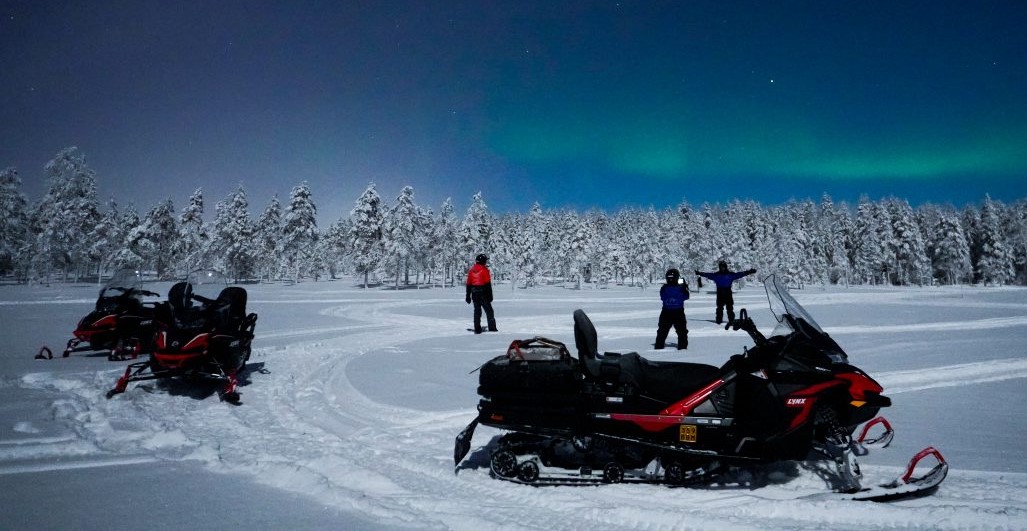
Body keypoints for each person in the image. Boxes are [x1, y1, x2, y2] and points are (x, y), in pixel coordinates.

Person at [655, 268, 689, 350]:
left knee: (662, 332)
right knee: (682, 332)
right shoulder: (680, 288)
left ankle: (658, 348)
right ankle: (683, 349)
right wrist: (685, 287)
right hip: (678, 313)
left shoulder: (664, 288)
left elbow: (662, 297)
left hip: (666, 312)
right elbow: (686, 296)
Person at [465, 254, 497, 334]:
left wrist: (468, 296)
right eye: (485, 260)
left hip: (474, 293)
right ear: (483, 261)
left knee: (477, 311)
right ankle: (492, 329)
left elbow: (468, 284)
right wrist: (490, 296)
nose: (486, 262)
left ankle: (477, 329)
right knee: (489, 311)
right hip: (483, 293)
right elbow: (487, 284)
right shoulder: (484, 270)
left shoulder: (471, 270)